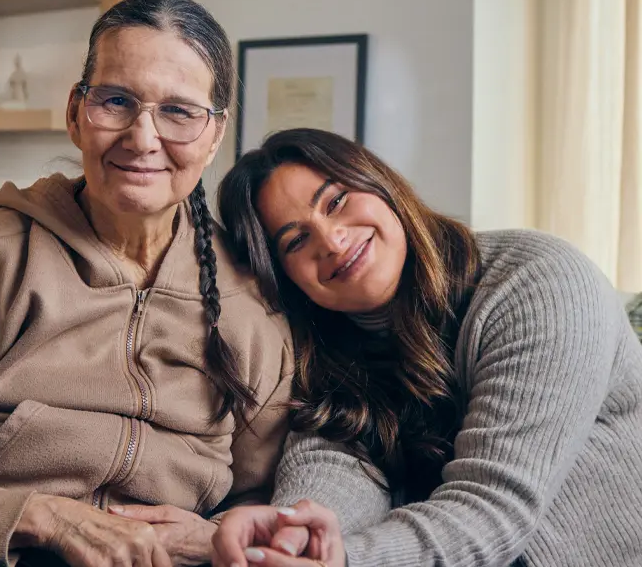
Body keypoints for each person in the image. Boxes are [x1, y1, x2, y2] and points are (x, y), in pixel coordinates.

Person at [0, 0, 295, 567]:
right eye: (115, 100)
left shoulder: (251, 302)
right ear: (75, 115)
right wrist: (35, 517)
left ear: (214, 137)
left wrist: (218, 533)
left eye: (179, 111)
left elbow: (264, 496)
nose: (142, 137)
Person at [211, 128, 642, 567]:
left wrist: (344, 562)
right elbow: (334, 463)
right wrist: (292, 537)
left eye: (336, 201)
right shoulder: (327, 346)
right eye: (296, 241)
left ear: (381, 184)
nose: (332, 240)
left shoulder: (540, 282)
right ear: (287, 277)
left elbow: (492, 507)